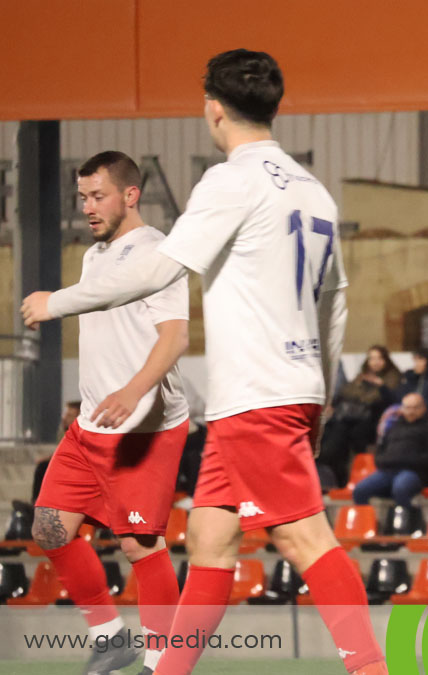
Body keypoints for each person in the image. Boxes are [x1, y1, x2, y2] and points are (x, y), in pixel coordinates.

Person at [22, 50, 386, 674]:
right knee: (209, 542)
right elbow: (336, 304)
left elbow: (157, 270)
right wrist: (319, 397)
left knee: (305, 539)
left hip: (257, 394)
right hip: (278, 392)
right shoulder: (312, 189)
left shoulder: (230, 181)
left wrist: (56, 301)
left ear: (213, 110)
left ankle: (370, 668)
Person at [30, 151, 189, 675]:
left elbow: (175, 338)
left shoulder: (159, 252)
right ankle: (109, 637)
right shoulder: (95, 255)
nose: (87, 207)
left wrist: (132, 390)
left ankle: (161, 662)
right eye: (82, 198)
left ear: (130, 195)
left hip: (144, 427)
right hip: (92, 427)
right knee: (50, 528)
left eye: (97, 196)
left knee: (139, 544)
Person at [319, 345, 402, 487]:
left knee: (355, 433)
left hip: (375, 420)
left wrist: (381, 387)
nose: (375, 362)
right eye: (371, 358)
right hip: (351, 419)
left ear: (386, 360)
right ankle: (334, 473)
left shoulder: (393, 378)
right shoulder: (361, 378)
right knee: (336, 432)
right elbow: (345, 394)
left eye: (379, 358)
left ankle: (353, 472)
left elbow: (392, 401)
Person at [352, 393, 428, 508]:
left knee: (401, 488)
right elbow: (379, 452)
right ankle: (365, 524)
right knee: (360, 490)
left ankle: (406, 523)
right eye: (408, 407)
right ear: (402, 408)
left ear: (423, 408)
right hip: (388, 471)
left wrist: (407, 460)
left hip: (415, 473)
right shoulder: (394, 427)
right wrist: (385, 461)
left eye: (415, 407)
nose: (411, 411)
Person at [31, 401, 81, 503]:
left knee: (43, 468)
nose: (65, 418)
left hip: (75, 464)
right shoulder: (63, 431)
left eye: (69, 415)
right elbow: (61, 450)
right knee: (43, 467)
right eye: (65, 414)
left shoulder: (80, 432)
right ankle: (37, 501)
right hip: (64, 461)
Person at [397, 346, 428, 413]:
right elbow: (401, 396)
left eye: (419, 360)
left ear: (427, 361)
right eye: (415, 361)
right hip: (410, 412)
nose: (416, 364)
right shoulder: (413, 378)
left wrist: (415, 406)